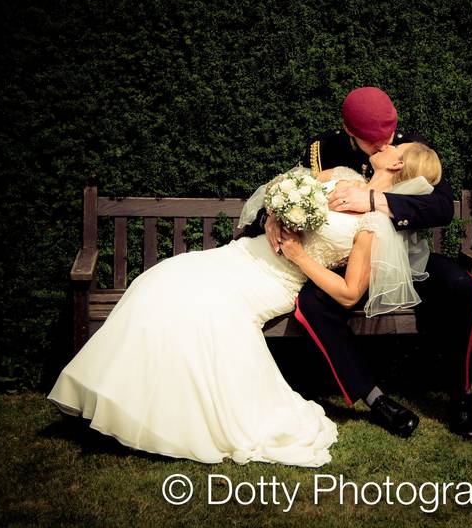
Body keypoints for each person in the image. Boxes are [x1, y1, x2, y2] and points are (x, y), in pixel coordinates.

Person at [46, 142, 442, 467]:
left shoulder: (373, 225)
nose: (387, 143)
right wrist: (275, 212)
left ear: (397, 163)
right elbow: (282, 185)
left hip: (275, 279)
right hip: (242, 255)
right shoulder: (340, 175)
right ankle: (115, 401)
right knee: (160, 280)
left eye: (396, 145)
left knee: (204, 310)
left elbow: (349, 293)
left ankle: (165, 419)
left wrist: (299, 256)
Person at [244, 87, 472, 440]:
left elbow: (442, 207)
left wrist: (372, 198)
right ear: (349, 131)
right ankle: (375, 399)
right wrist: (272, 215)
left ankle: (461, 397)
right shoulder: (324, 150)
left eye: (389, 136)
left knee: (463, 286)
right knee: (311, 305)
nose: (386, 146)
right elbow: (295, 188)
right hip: (349, 262)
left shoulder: (408, 146)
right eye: (375, 142)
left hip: (406, 260)